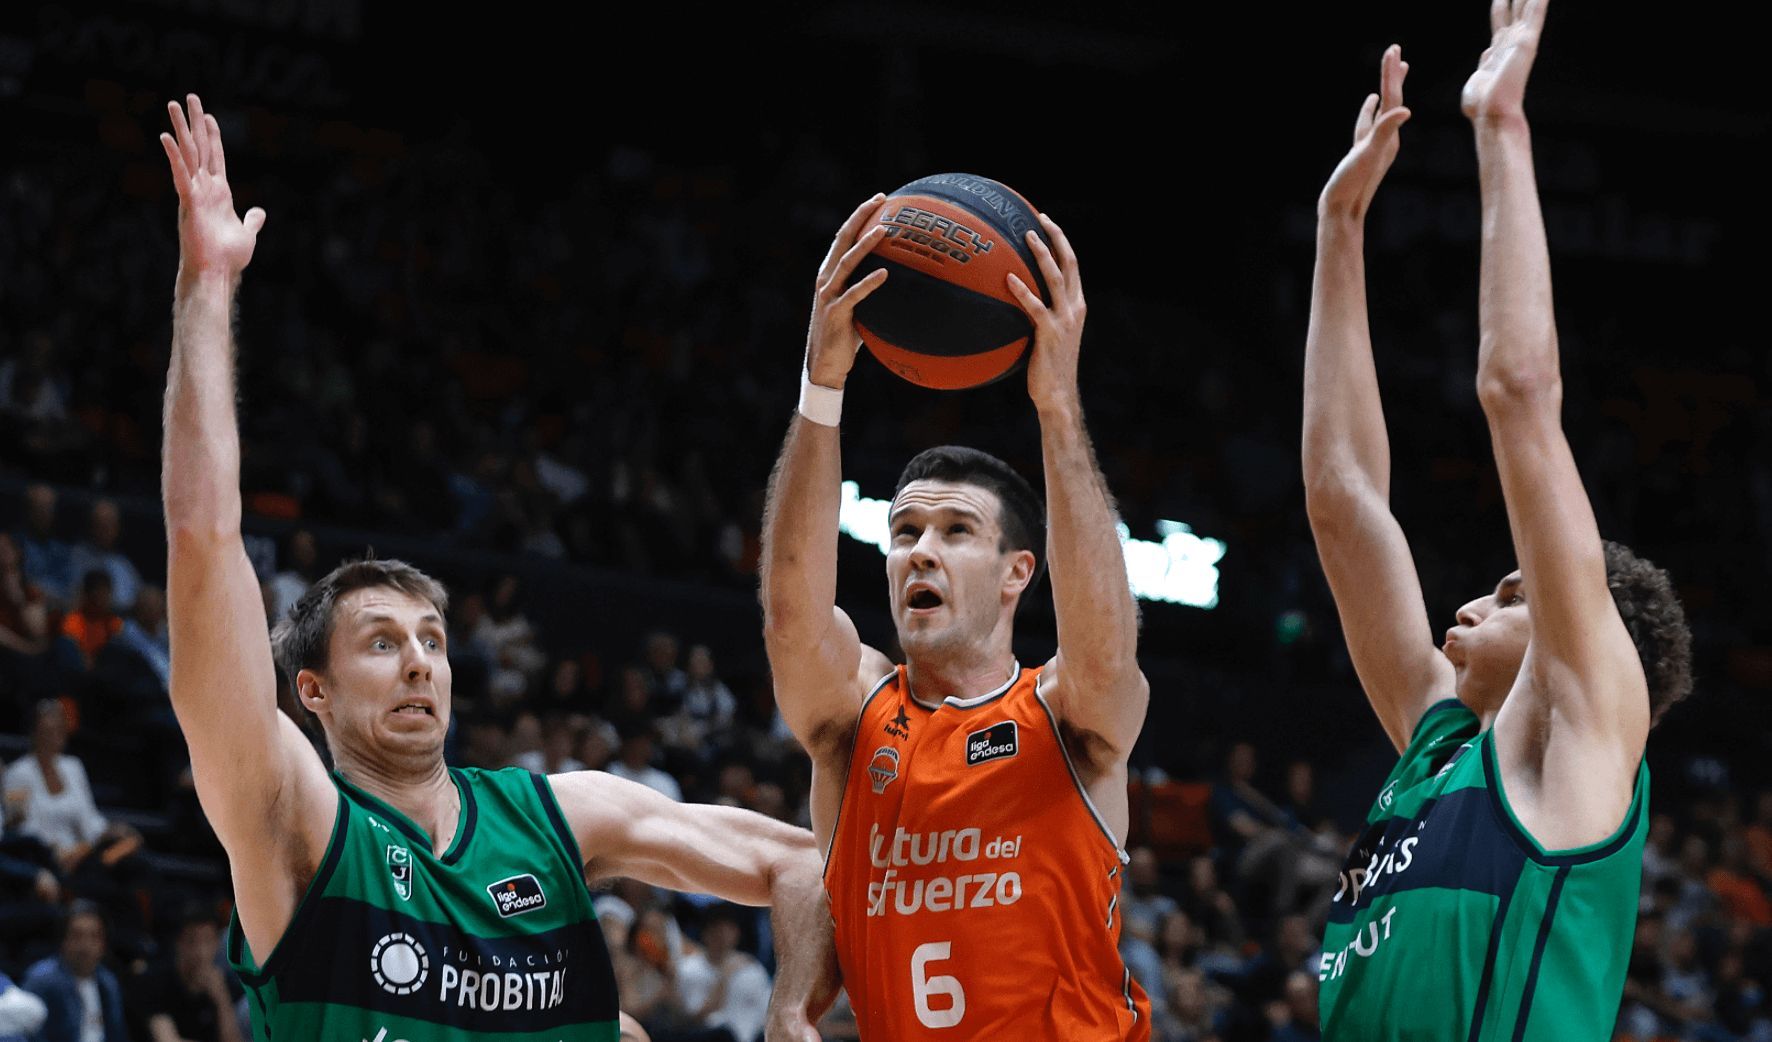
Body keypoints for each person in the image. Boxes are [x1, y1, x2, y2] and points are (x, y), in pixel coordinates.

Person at [156, 94, 833, 1042]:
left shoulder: (555, 816)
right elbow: (204, 538)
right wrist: (207, 287)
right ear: (312, 690)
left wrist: (792, 1009)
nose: (419, 662)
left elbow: (805, 865)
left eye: (431, 640)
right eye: (382, 643)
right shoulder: (295, 821)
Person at [1300, 10, 1694, 1039]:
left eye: (1514, 593)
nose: (1474, 600)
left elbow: (1517, 390)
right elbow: (1341, 499)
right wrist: (1339, 231)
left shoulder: (1583, 740)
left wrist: (1498, 127)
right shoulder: (1437, 749)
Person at [761, 195, 1151, 1037]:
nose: (921, 551)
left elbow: (1106, 651)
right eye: (904, 532)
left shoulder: (1066, 713)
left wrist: (1058, 406)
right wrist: (821, 386)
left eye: (955, 531)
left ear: (1018, 573)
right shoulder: (854, 716)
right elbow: (791, 617)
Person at [21, 901, 130, 1042]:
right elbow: (30, 1035)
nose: (85, 945)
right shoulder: (41, 980)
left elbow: (117, 1035)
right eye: (77, 936)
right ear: (63, 940)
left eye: (94, 937)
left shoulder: (107, 982)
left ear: (104, 944)